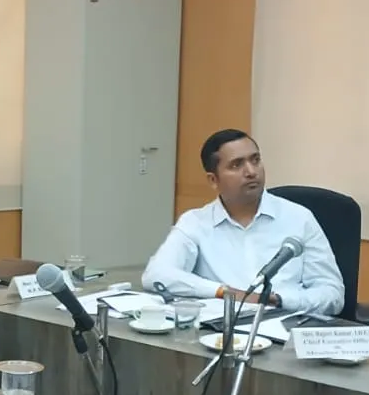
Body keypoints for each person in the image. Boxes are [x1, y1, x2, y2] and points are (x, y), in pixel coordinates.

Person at [142, 129, 343, 315]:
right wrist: (224, 292)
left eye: (255, 160)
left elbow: (332, 293)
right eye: (236, 165)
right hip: (221, 330)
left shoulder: (299, 218)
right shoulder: (195, 222)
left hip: (285, 325)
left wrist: (277, 300)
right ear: (213, 180)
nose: (251, 171)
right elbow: (156, 275)